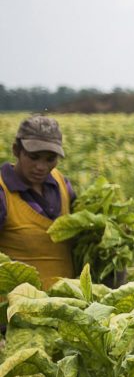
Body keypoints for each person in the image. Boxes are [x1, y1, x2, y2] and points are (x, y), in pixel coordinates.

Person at [0, 116, 77, 287]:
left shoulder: (62, 184)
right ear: (16, 150)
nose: (41, 167)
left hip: (68, 305)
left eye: (50, 159)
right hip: (17, 309)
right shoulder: (3, 192)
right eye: (34, 157)